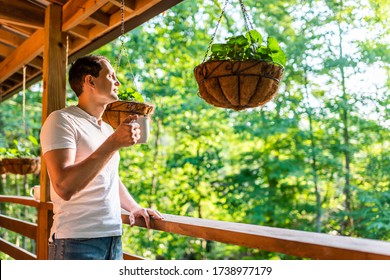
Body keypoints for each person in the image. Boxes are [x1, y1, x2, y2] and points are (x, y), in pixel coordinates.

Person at [40, 55, 163, 260]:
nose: (118, 82)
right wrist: (114, 142)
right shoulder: (61, 120)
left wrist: (134, 207)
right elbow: (64, 186)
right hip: (76, 242)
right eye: (111, 76)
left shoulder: (106, 129)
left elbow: (109, 177)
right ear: (90, 81)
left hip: (113, 238)